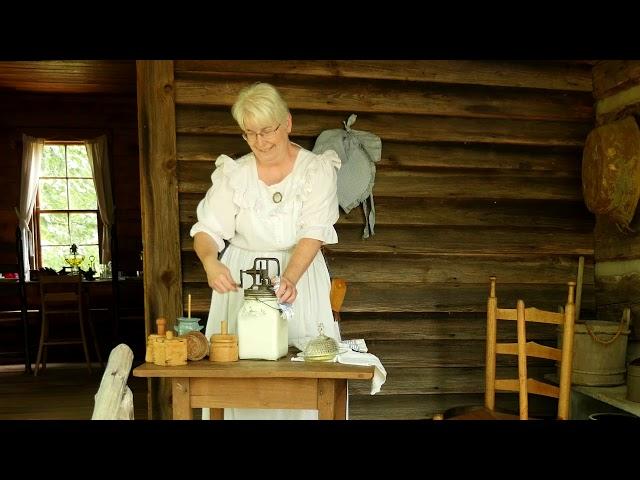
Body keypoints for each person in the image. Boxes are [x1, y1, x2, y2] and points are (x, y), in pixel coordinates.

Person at [190, 82, 341, 420]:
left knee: (303, 369)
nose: (260, 141)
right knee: (239, 372)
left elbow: (314, 233)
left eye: (267, 130)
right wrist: (211, 262)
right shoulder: (235, 174)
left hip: (299, 275)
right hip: (243, 279)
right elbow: (208, 230)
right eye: (249, 133)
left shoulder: (316, 170)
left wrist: (289, 277)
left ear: (286, 123)